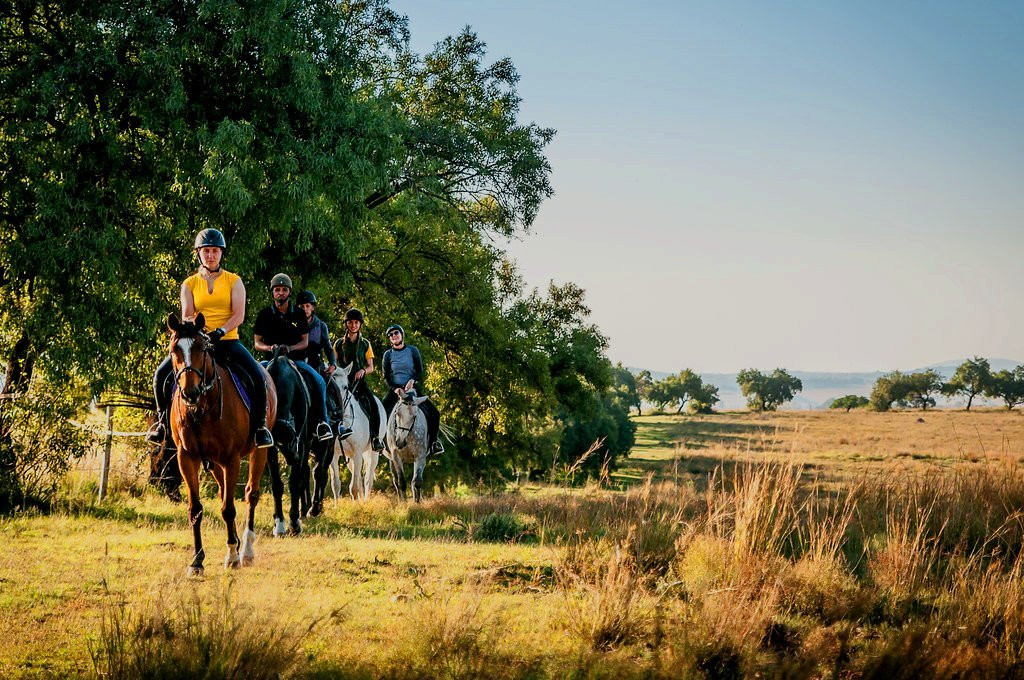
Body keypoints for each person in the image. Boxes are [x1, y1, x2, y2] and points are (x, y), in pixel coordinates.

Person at [147, 229, 273, 448]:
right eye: (206, 251)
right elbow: (187, 314)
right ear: (199, 254)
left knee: (256, 375)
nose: (211, 255)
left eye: (215, 251)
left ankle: (260, 427)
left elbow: (239, 315)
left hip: (227, 341)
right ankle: (161, 424)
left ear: (221, 253)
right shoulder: (189, 284)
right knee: (161, 375)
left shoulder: (234, 281)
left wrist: (221, 331)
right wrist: (199, 333)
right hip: (198, 343)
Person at [252, 274, 341, 441]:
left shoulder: (299, 314)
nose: (280, 293)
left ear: (289, 292)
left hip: (295, 361)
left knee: (319, 381)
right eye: (277, 290)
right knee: (253, 379)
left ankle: (322, 423)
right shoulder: (264, 314)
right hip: (269, 360)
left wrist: (289, 348)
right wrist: (269, 347)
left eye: (284, 290)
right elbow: (257, 343)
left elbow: (305, 342)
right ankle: (257, 424)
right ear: (272, 292)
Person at [380, 324, 442, 454]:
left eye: (396, 333)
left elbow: (419, 371)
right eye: (390, 335)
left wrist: (413, 380)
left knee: (434, 412)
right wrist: (395, 388)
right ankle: (379, 441)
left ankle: (434, 443)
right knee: (380, 411)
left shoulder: (412, 350)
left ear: (402, 334)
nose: (393, 336)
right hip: (396, 390)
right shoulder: (388, 355)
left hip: (412, 389)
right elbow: (386, 376)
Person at [333, 308, 384, 451]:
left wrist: (363, 371)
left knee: (373, 405)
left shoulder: (366, 344)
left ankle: (375, 438)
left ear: (360, 324)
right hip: (342, 383)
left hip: (359, 383)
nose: (353, 325)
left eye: (356, 323)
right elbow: (333, 363)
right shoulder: (338, 344)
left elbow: (371, 367)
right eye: (350, 322)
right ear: (346, 324)